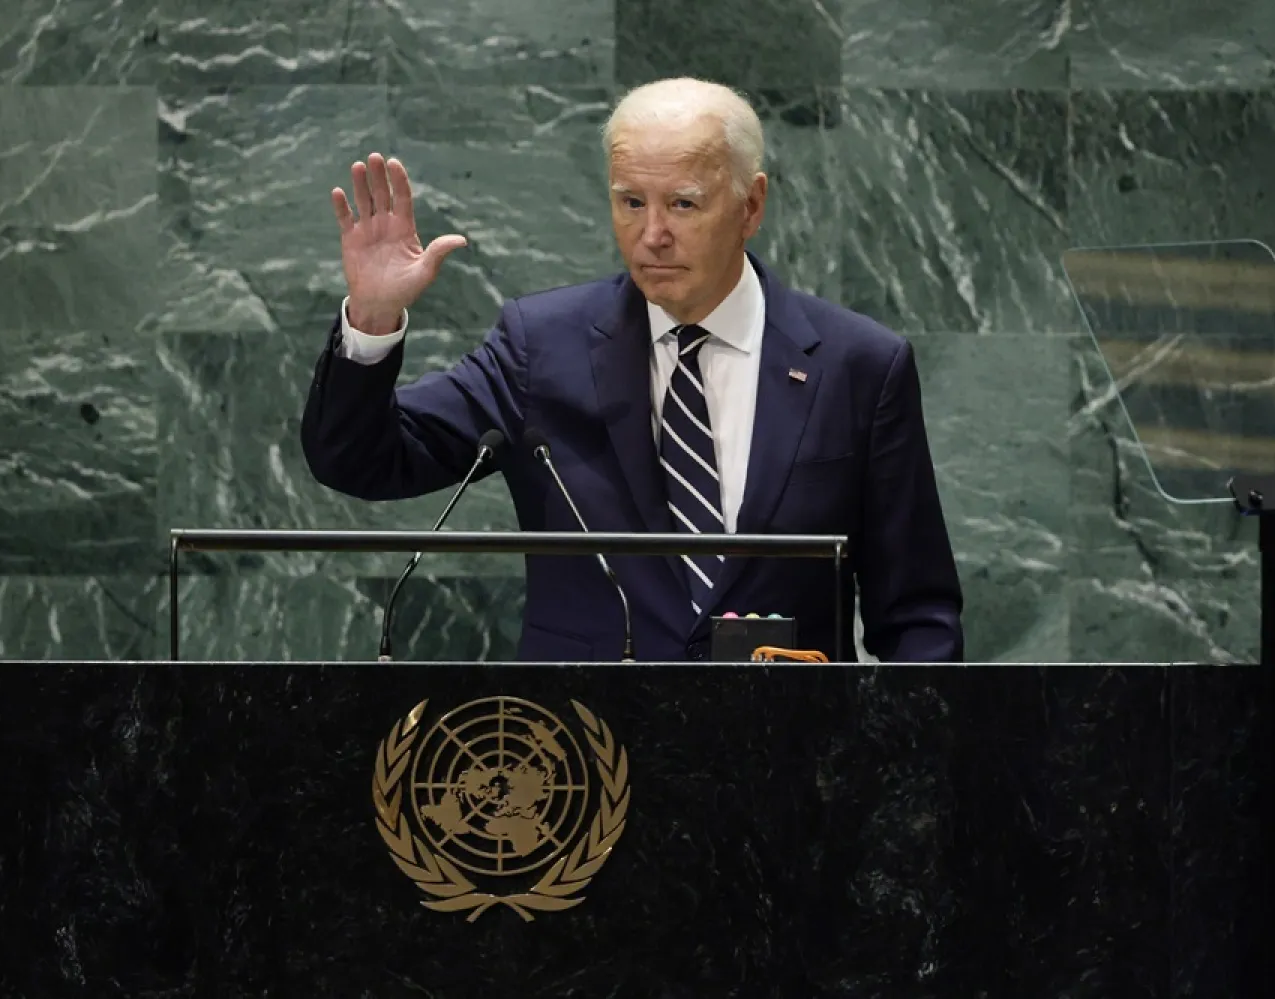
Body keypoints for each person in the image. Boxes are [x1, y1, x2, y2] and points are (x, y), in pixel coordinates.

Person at [301, 77, 964, 663]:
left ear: (751, 206)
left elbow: (917, 615)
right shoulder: (542, 347)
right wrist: (373, 317)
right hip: (582, 748)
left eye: (683, 204)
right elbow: (360, 460)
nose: (652, 235)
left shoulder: (857, 366)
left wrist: (901, 755)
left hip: (790, 748)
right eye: (631, 202)